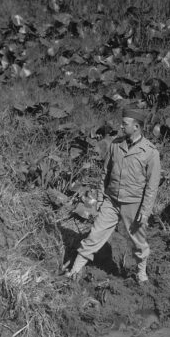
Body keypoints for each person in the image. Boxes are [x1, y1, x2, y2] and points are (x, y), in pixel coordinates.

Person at [66, 108, 161, 283]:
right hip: (111, 201)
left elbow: (152, 187)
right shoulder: (115, 145)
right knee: (95, 235)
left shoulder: (150, 152)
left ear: (137, 126)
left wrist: (145, 211)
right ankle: (75, 270)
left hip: (133, 205)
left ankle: (141, 275)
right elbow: (105, 173)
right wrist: (101, 199)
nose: (121, 126)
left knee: (139, 243)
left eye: (125, 123)